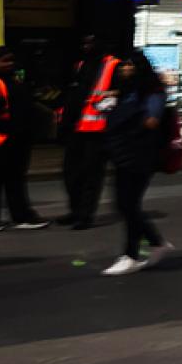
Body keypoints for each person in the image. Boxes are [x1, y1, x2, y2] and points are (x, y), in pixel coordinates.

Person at [102, 51, 173, 276]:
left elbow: (152, 121)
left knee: (129, 205)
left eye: (129, 66)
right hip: (123, 152)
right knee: (124, 205)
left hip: (140, 154)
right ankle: (156, 242)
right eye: (123, 66)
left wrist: (125, 117)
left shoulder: (152, 90)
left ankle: (131, 255)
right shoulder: (126, 90)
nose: (124, 70)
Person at [0, 47, 49, 232]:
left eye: (11, 60)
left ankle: (21, 216)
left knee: (15, 179)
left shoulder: (15, 78)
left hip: (18, 136)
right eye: (4, 61)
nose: (9, 64)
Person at [58, 34, 118, 229]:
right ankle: (75, 211)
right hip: (76, 126)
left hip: (98, 129)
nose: (86, 46)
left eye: (91, 42)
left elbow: (121, 92)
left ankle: (85, 215)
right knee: (71, 173)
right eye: (84, 43)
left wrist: (107, 102)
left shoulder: (113, 65)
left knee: (91, 175)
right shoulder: (81, 65)